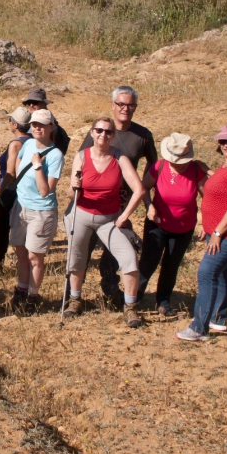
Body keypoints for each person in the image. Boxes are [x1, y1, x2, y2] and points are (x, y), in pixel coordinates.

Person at [76, 85, 157, 307]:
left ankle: (110, 290)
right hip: (92, 200)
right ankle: (73, 296)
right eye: (121, 104)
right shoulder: (101, 130)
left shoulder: (143, 135)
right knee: (83, 247)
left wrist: (146, 193)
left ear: (135, 107)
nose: (125, 108)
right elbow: (81, 159)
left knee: (118, 247)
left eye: (130, 105)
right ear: (113, 105)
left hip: (121, 202)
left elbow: (153, 165)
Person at [65, 117, 147, 327]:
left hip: (109, 219)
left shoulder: (120, 158)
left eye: (108, 132)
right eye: (99, 130)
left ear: (113, 136)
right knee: (77, 259)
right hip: (81, 214)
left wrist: (124, 216)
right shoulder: (81, 156)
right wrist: (73, 186)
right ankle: (75, 300)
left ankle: (130, 308)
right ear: (92, 133)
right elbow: (69, 194)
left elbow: (139, 190)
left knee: (129, 259)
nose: (103, 135)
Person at [177, 124, 227, 342]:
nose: (226, 145)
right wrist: (207, 169)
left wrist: (219, 231)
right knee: (220, 273)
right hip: (219, 231)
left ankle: (199, 327)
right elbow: (222, 186)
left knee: (207, 273)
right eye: (222, 141)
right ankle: (218, 319)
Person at [138, 133, 208, 317]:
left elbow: (208, 198)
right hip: (157, 224)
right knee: (148, 263)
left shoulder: (195, 171)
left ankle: (164, 301)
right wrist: (149, 205)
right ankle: (134, 298)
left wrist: (206, 221)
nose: (177, 162)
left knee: (171, 265)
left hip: (183, 229)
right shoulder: (159, 166)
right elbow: (143, 187)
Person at [8, 110, 63, 314]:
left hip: (41, 211)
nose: (37, 128)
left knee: (34, 257)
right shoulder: (28, 144)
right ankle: (21, 289)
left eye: (42, 124)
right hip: (21, 206)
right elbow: (17, 165)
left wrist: (38, 167)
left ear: (51, 127)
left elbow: (44, 191)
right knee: (21, 253)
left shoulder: (56, 155)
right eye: (34, 124)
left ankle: (33, 295)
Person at [0, 107, 32, 275]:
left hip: (12, 191)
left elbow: (11, 173)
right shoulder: (36, 141)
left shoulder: (15, 144)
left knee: (3, 228)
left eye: (10, 120)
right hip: (28, 191)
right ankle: (25, 262)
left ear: (15, 124)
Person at [22, 88, 71, 156]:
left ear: (43, 103)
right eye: (29, 103)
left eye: (35, 102)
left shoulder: (49, 123)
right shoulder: (47, 119)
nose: (31, 105)